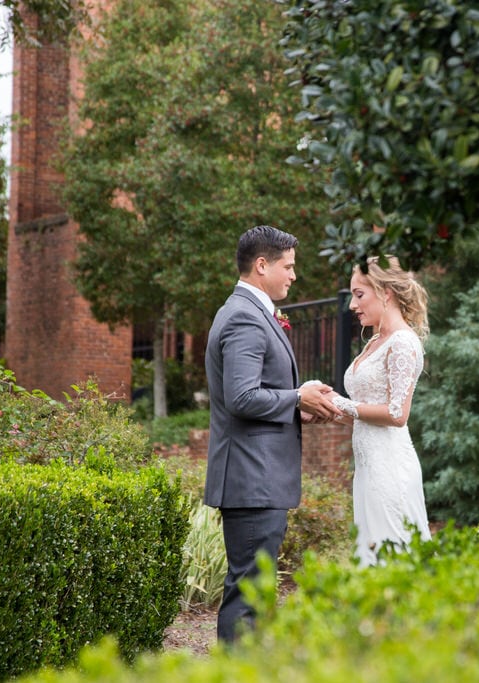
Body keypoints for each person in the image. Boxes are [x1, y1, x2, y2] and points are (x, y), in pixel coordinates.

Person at [203, 225, 340, 644]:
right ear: (262, 265)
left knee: (254, 591)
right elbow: (242, 397)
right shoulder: (245, 316)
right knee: (248, 593)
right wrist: (297, 397)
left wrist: (299, 404)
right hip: (252, 480)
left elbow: (257, 393)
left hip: (256, 479)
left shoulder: (250, 311)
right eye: (289, 266)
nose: (294, 276)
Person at [330, 256, 432, 566]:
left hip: (390, 468)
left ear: (385, 292)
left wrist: (341, 403)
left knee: (395, 561)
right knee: (373, 561)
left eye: (359, 295)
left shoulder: (402, 342)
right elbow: (363, 411)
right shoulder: (375, 341)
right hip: (368, 469)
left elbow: (397, 414)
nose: (352, 305)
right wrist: (326, 407)